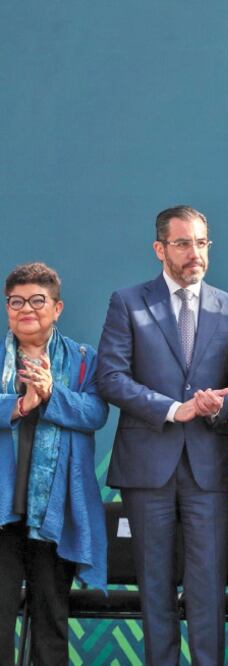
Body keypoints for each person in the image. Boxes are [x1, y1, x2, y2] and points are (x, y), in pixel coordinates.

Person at [97, 205, 228, 665]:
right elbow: (111, 377)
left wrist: (217, 406)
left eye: (201, 243)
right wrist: (172, 409)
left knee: (209, 590)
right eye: (183, 243)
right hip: (147, 469)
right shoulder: (128, 302)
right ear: (159, 249)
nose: (194, 253)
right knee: (155, 588)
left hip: (209, 471)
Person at [0, 263, 108, 666]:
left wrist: (51, 395)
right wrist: (19, 405)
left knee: (50, 622)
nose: (26, 309)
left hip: (54, 513)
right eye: (16, 302)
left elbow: (96, 412)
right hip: (2, 514)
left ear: (57, 308)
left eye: (37, 300)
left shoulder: (82, 360)